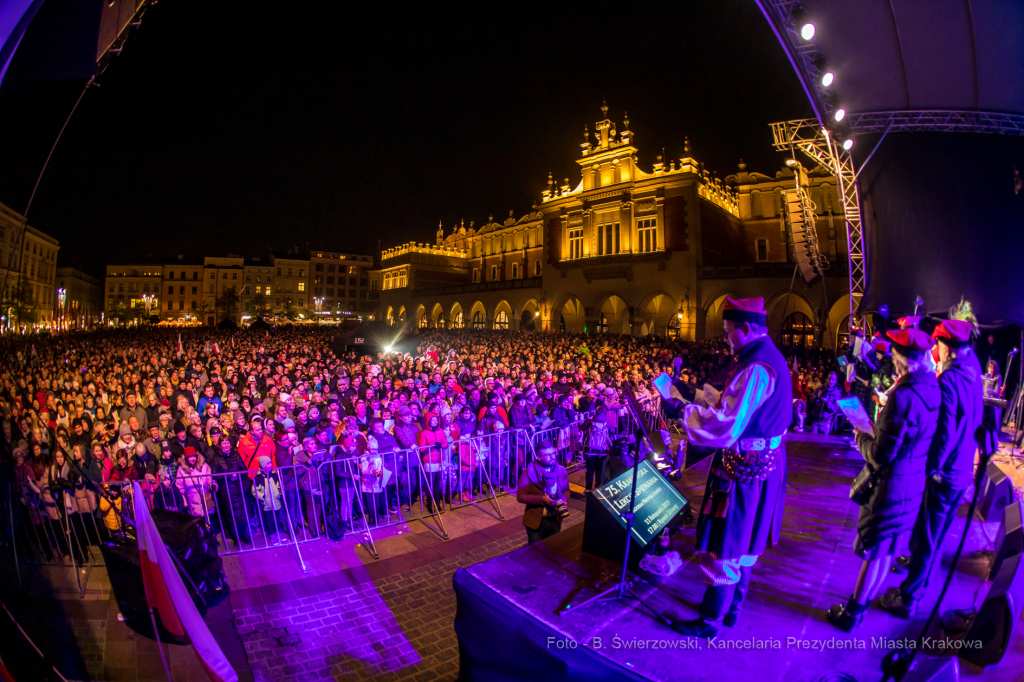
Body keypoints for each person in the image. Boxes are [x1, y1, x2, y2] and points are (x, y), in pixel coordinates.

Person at [662, 297, 791, 638]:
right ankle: (732, 610)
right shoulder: (766, 358)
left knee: (728, 540)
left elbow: (727, 425)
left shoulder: (756, 367)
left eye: (728, 331)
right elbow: (737, 404)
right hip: (764, 463)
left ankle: (710, 622)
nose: (725, 338)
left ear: (746, 328)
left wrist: (678, 407)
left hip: (745, 466)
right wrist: (698, 396)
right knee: (746, 539)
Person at [827, 328, 940, 631]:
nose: (891, 357)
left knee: (873, 552)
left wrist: (862, 435)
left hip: (891, 487)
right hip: (912, 483)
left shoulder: (903, 396)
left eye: (894, 354)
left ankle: (852, 613)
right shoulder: (931, 387)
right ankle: (863, 603)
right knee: (886, 551)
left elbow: (880, 455)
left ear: (904, 358)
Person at [879, 319, 982, 618]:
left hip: (946, 472)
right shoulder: (972, 370)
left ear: (946, 347)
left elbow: (946, 431)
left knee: (928, 537)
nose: (935, 350)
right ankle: (917, 579)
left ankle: (909, 598)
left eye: (938, 344)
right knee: (935, 535)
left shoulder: (949, 380)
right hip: (962, 469)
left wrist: (931, 469)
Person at [516, 445, 569, 545]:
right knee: (536, 553)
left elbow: (566, 490)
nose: (552, 457)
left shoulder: (561, 470)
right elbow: (520, 497)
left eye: (553, 453)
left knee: (553, 549)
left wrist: (564, 499)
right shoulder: (528, 472)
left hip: (555, 519)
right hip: (536, 522)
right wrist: (541, 499)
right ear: (539, 457)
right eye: (548, 455)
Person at [582, 404, 612, 491]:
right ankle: (598, 486)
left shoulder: (590, 421)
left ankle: (588, 488)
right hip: (602, 451)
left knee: (590, 470)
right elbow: (613, 431)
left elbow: (582, 428)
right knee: (599, 470)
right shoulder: (607, 423)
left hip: (590, 451)